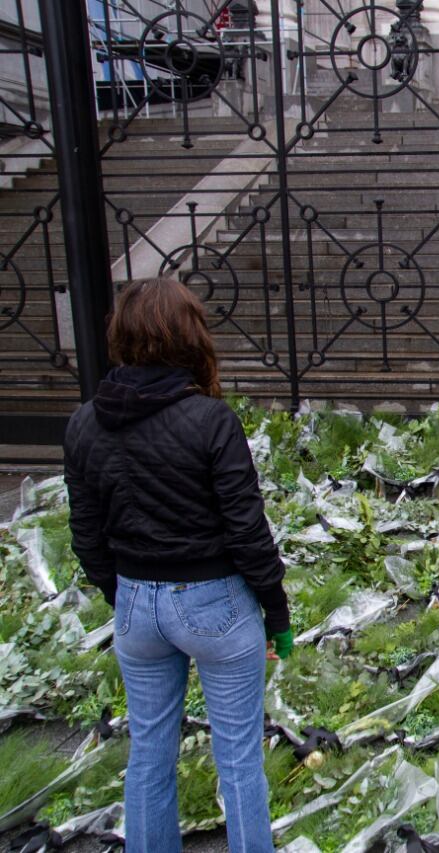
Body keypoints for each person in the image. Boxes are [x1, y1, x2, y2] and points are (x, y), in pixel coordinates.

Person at [64, 277, 292, 853]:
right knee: (239, 758)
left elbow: (86, 534)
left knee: (148, 752)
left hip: (136, 605)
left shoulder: (85, 422)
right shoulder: (211, 421)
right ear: (188, 336)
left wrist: (122, 594)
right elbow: (248, 532)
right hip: (215, 604)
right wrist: (276, 612)